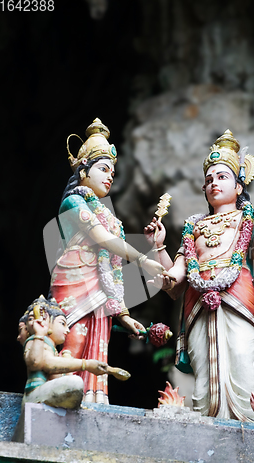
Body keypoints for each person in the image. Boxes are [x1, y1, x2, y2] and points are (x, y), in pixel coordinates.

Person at [145, 130, 254, 422]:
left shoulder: (250, 219)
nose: (214, 182)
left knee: (240, 357)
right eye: (209, 179)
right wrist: (159, 250)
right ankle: (207, 423)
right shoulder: (194, 227)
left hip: (239, 297)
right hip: (199, 303)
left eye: (222, 177)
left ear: (239, 187)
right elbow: (178, 274)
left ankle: (250, 422)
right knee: (205, 369)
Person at [50, 118, 167, 403]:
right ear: (82, 170)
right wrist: (145, 260)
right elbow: (102, 239)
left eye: (112, 171)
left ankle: (89, 398)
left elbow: (112, 270)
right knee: (75, 337)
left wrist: (125, 317)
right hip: (74, 279)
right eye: (103, 169)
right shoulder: (74, 201)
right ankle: (56, 389)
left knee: (97, 341)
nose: (109, 176)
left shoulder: (112, 219)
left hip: (100, 292)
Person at [22, 297, 127, 409]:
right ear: (48, 323)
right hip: (35, 394)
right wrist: (86, 364)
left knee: (73, 384)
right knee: (74, 383)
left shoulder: (52, 348)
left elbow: (55, 376)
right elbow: (37, 362)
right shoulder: (37, 340)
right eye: (62, 324)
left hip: (46, 392)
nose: (67, 330)